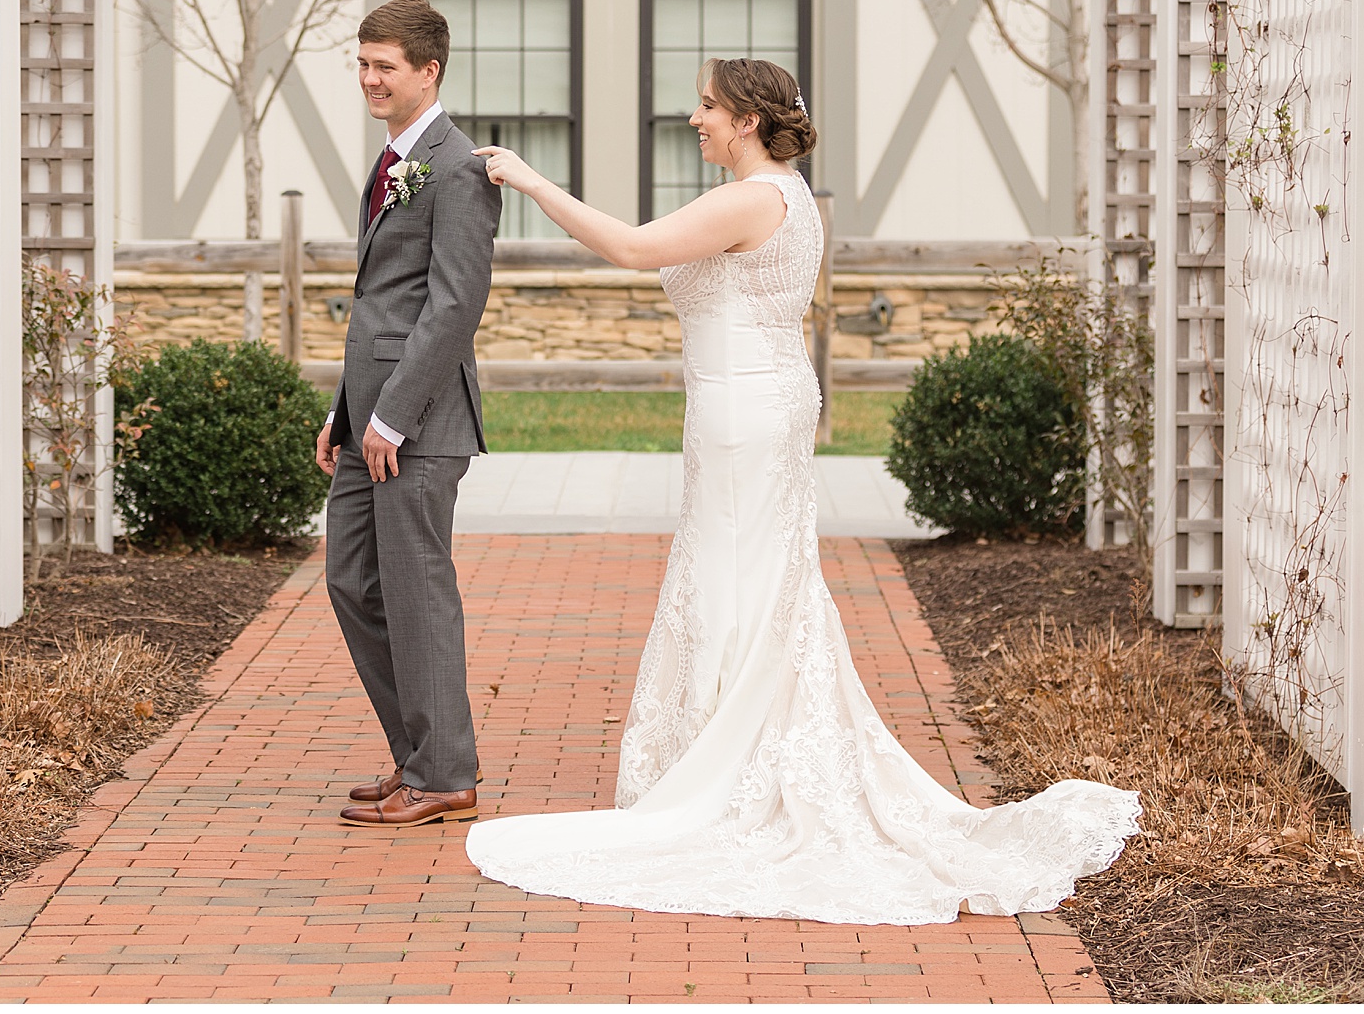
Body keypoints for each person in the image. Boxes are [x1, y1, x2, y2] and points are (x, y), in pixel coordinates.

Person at [464, 57, 1141, 925]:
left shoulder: (755, 198)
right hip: (756, 402)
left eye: (708, 106)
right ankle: (733, 748)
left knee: (734, 580)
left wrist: (527, 178)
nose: (696, 118)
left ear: (748, 119)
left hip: (745, 409)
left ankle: (731, 765)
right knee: (754, 581)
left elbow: (633, 250)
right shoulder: (789, 193)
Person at [315, 0, 500, 829]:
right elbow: (377, 301)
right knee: (351, 579)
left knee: (418, 591)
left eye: (385, 65)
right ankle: (418, 754)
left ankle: (446, 772)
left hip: (417, 423)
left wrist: (390, 415)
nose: (369, 78)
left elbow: (454, 305)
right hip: (369, 415)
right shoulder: (394, 157)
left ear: (429, 70)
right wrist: (346, 412)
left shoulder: (456, 165)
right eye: (362, 63)